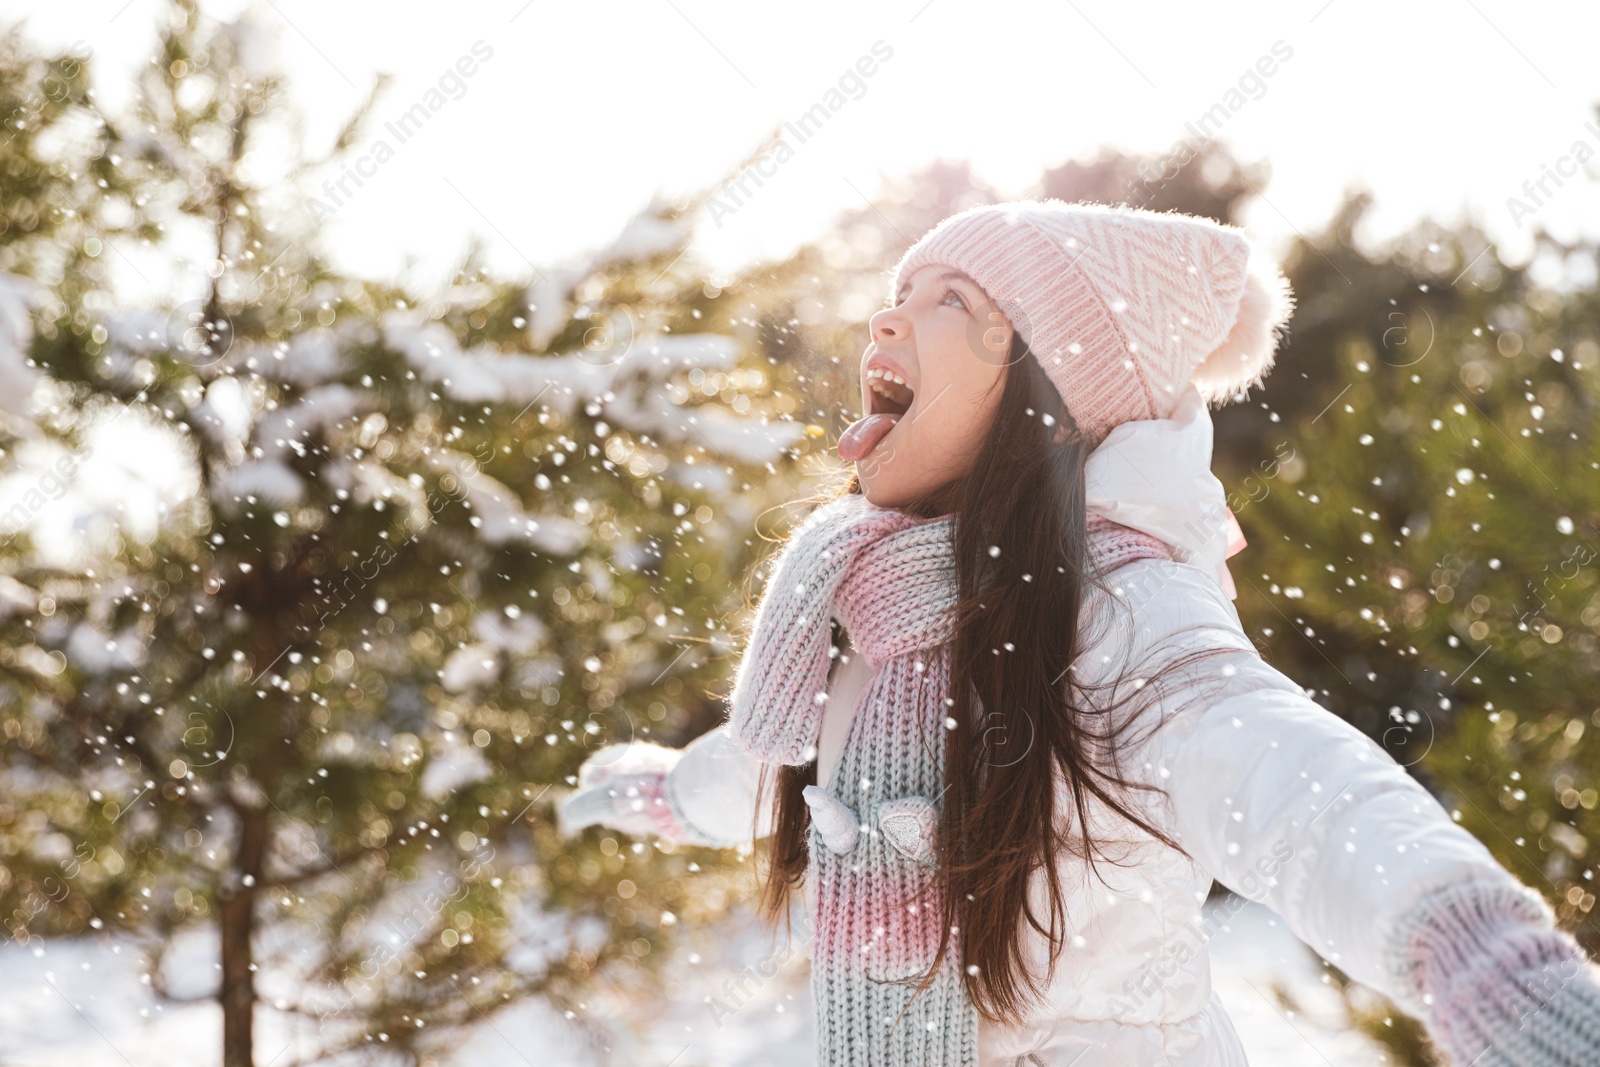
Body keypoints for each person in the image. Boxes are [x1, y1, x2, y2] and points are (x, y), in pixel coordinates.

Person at [559, 200, 1600, 1066]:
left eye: (949, 301)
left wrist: (1470, 946)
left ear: (1048, 399)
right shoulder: (884, 596)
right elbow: (774, 761)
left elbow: (1283, 777)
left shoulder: (1116, 607)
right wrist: (665, 790)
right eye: (894, 298)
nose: (884, 322)